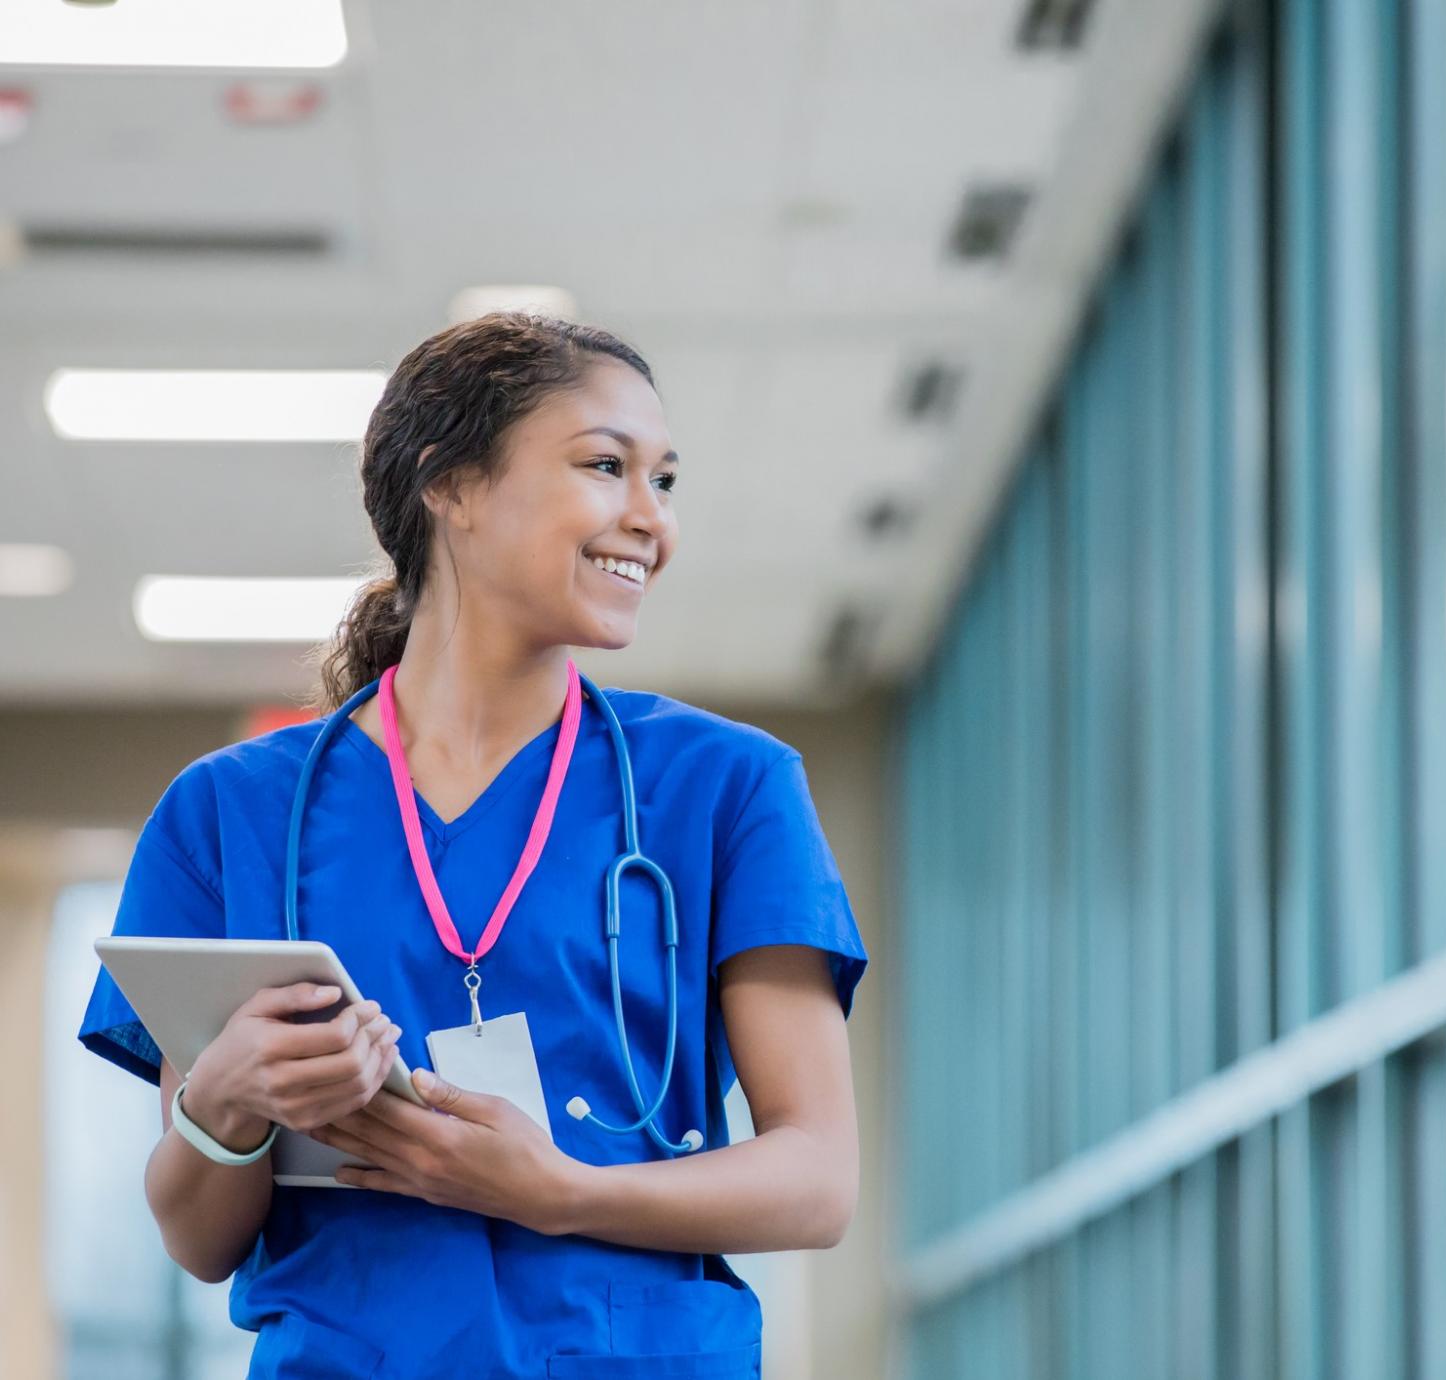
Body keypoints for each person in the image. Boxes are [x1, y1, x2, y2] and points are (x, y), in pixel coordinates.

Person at [74, 312, 868, 1378]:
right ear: (450, 488)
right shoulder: (230, 812)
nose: (651, 520)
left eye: (664, 482)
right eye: (604, 467)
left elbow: (816, 1181)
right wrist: (228, 1102)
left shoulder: (726, 788)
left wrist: (556, 1188)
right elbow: (197, 1238)